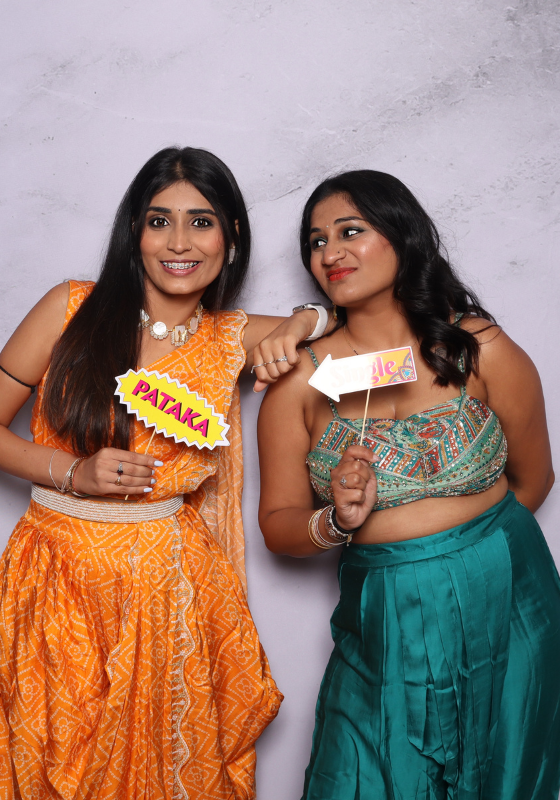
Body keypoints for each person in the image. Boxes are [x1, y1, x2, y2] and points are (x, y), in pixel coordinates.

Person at [0, 146, 330, 800]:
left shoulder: (230, 337)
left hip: (167, 588)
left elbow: (370, 343)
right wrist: (75, 472)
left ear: (232, 236)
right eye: (159, 221)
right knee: (54, 761)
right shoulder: (71, 307)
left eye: (202, 221)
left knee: (158, 770)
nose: (179, 241)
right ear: (135, 232)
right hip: (57, 573)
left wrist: (307, 317)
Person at [258, 170, 560, 799]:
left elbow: (535, 479)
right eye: (316, 241)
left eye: (351, 231)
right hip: (383, 612)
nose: (330, 253)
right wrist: (336, 521)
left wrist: (465, 555)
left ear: (402, 236)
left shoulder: (476, 347)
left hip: (507, 599)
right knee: (360, 775)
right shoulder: (297, 384)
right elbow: (278, 526)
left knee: (506, 776)